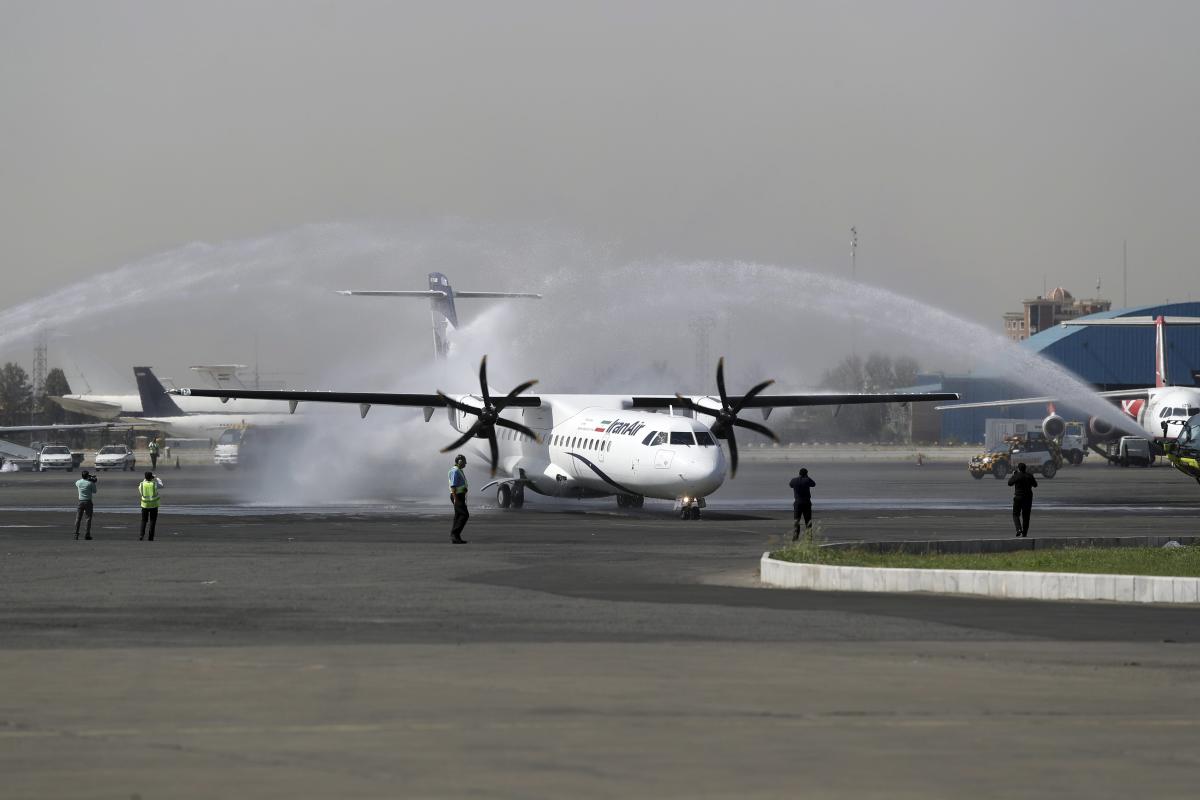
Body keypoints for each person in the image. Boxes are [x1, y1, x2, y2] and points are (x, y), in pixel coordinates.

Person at [1007, 462, 1038, 537]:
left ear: (1018, 468)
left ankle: (1018, 529)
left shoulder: (1017, 475)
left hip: (1018, 498)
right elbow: (1035, 485)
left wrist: (1013, 475)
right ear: (1025, 468)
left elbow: (1009, 483)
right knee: (1026, 516)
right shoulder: (1029, 475)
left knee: (1015, 514)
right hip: (1028, 498)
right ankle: (1025, 533)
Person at [788, 467, 816, 541]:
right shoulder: (807, 480)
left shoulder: (794, 480)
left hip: (797, 503)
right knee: (808, 521)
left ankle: (795, 536)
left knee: (796, 520)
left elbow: (790, 485)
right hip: (806, 502)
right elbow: (813, 484)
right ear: (806, 474)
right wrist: (807, 477)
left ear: (799, 473)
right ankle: (809, 537)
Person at [448, 454, 469, 544]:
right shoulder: (455, 471)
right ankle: (454, 534)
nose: (465, 464)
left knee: (458, 516)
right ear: (460, 462)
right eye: (464, 462)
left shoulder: (459, 470)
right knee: (464, 515)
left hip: (460, 495)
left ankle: (456, 537)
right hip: (457, 496)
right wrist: (455, 498)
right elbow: (453, 485)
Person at [138, 471, 163, 541]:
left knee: (143, 520)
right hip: (154, 505)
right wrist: (157, 478)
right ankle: (150, 537)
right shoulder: (154, 484)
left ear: (145, 477)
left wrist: (146, 479)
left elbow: (141, 490)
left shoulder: (141, 484)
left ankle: (141, 535)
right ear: (151, 477)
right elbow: (161, 485)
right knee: (152, 521)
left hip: (144, 505)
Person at [73, 470, 99, 540]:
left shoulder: (78, 482)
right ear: (87, 476)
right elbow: (94, 491)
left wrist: (88, 478)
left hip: (80, 501)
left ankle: (76, 534)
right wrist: (92, 480)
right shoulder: (90, 483)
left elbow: (77, 483)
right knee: (88, 519)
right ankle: (87, 534)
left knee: (78, 518)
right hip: (88, 502)